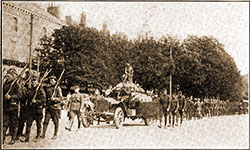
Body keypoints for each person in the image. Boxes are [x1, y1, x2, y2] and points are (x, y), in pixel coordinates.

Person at [21, 74, 46, 142]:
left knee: (38, 124)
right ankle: (27, 137)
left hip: (38, 110)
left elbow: (44, 100)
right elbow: (27, 98)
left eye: (35, 82)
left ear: (38, 82)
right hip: (31, 110)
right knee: (28, 124)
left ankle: (38, 136)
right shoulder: (31, 89)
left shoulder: (41, 90)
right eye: (33, 82)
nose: (34, 83)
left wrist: (36, 101)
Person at [3, 68, 22, 145]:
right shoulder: (5, 84)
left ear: (13, 76)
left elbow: (19, 95)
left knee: (13, 124)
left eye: (9, 76)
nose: (7, 77)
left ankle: (13, 139)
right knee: (4, 124)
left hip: (13, 107)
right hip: (5, 107)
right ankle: (2, 140)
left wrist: (11, 97)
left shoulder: (17, 85)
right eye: (7, 76)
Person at [16, 71, 30, 140]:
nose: (22, 82)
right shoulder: (19, 87)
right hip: (20, 105)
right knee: (18, 120)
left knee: (23, 120)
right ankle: (17, 133)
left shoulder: (27, 88)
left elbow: (25, 97)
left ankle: (21, 134)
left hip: (25, 106)